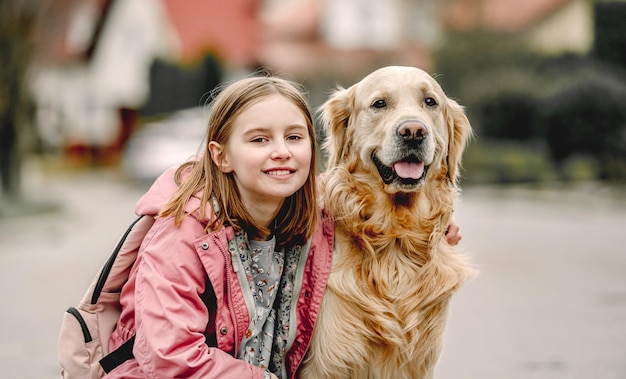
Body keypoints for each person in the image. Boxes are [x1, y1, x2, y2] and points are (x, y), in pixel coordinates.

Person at [104, 75, 462, 379]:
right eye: (259, 139)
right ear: (221, 155)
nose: (281, 152)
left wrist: (423, 229)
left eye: (293, 138)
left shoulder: (309, 218)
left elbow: (351, 200)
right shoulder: (181, 235)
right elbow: (171, 360)